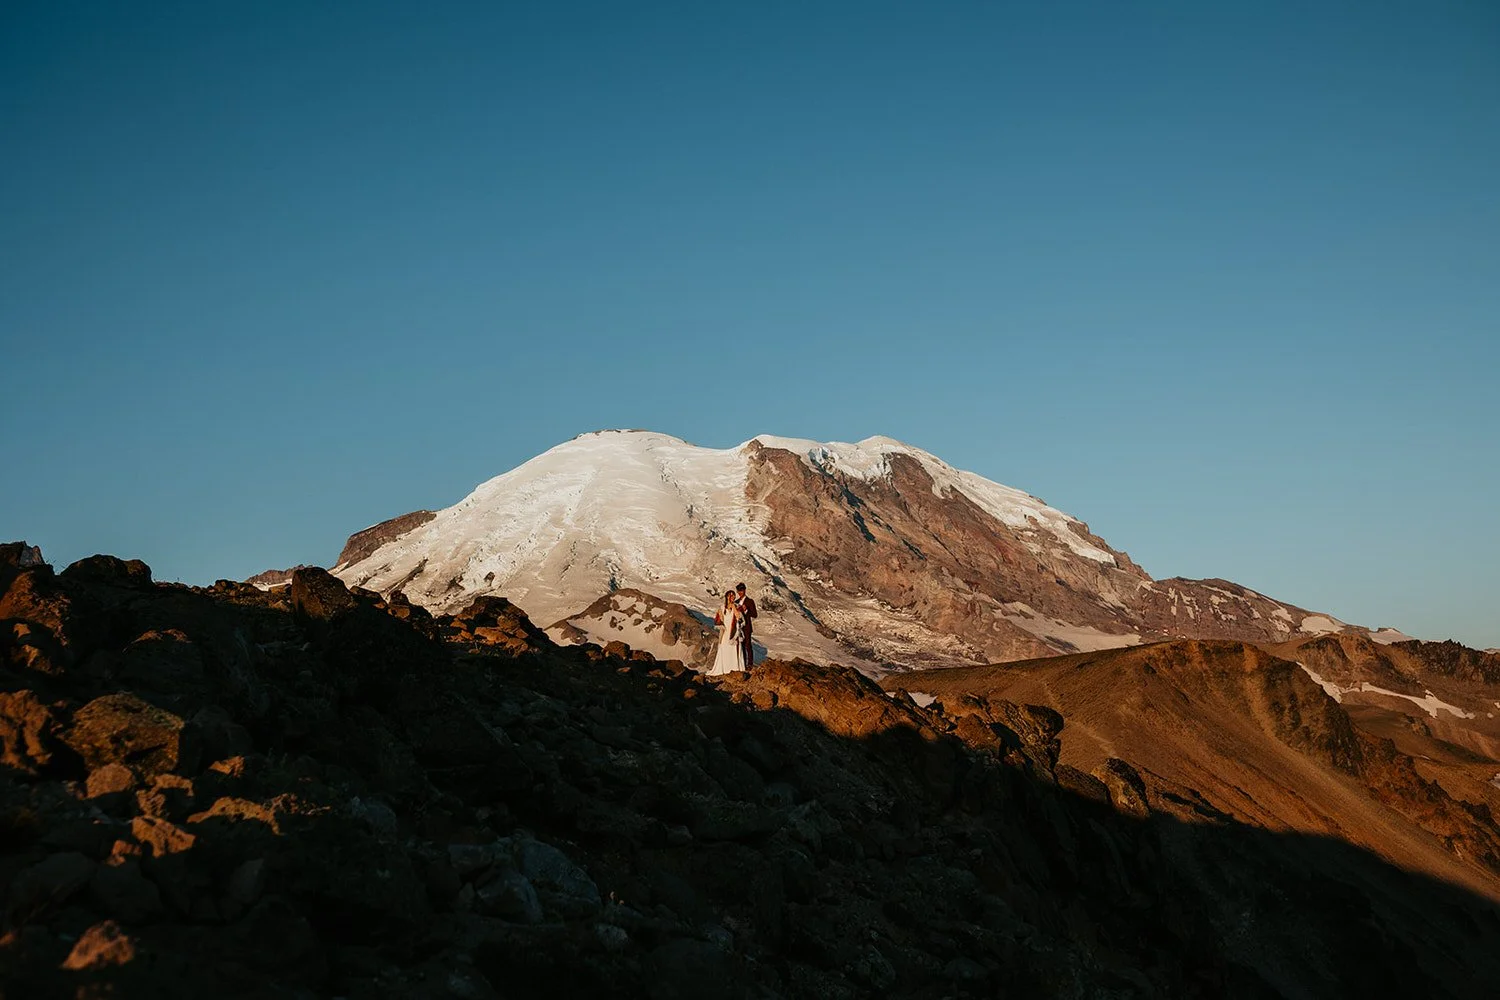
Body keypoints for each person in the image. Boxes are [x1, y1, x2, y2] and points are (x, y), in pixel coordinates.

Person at [708, 589, 746, 675]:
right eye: (730, 595)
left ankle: (734, 669)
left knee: (733, 650)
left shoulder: (737, 606)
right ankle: (725, 668)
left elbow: (740, 619)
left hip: (734, 632)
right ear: (727, 597)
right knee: (725, 649)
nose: (732, 597)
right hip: (725, 632)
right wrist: (722, 626)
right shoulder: (722, 608)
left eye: (733, 595)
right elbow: (718, 620)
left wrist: (734, 608)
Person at [734, 582, 757, 670]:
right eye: (739, 590)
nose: (740, 592)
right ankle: (743, 663)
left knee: (748, 645)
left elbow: (755, 614)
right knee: (741, 645)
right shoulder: (736, 602)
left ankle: (750, 664)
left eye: (741, 590)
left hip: (747, 627)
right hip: (738, 627)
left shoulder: (750, 601)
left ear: (744, 590)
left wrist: (746, 610)